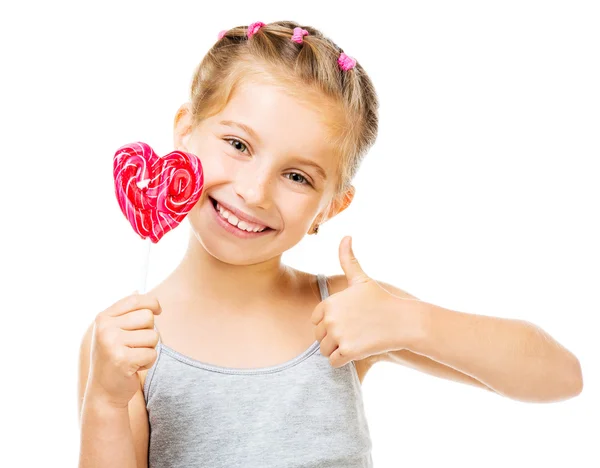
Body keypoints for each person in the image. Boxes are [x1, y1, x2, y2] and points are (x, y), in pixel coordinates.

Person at [77, 20, 583, 468]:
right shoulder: (127, 342)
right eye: (238, 145)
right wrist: (104, 399)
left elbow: (562, 377)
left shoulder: (348, 311)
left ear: (330, 207)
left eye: (297, 176)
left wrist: (409, 322)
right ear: (186, 132)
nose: (254, 192)